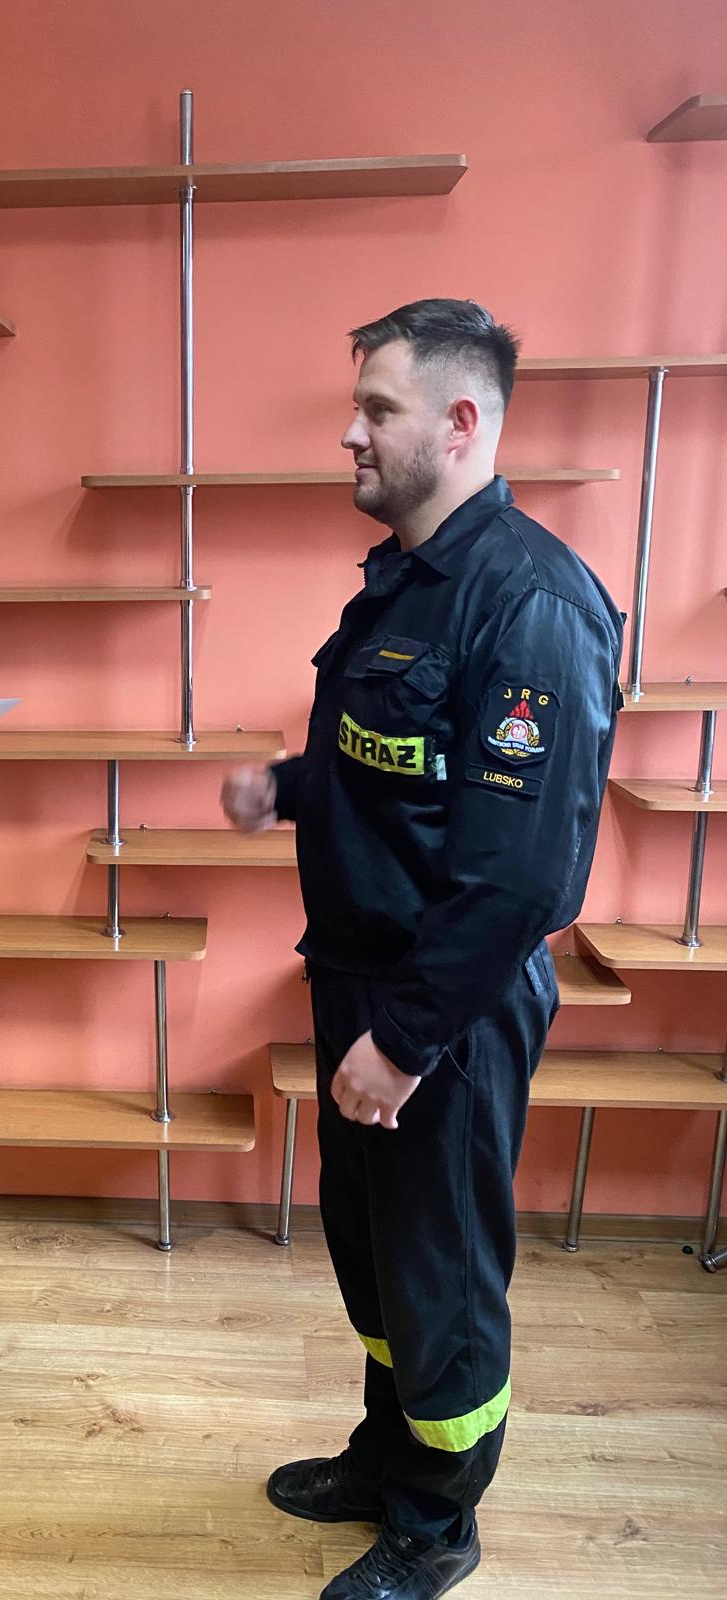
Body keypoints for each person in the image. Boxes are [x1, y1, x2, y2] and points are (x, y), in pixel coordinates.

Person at [222, 300, 622, 1599]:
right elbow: (397, 764)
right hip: (362, 982)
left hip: (442, 1010)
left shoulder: (531, 603)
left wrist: (401, 1042)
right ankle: (389, 1454)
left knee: (439, 1267)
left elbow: (520, 878)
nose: (350, 432)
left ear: (458, 422)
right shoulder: (407, 577)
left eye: (376, 409)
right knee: (375, 1247)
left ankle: (438, 1522)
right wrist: (288, 789)